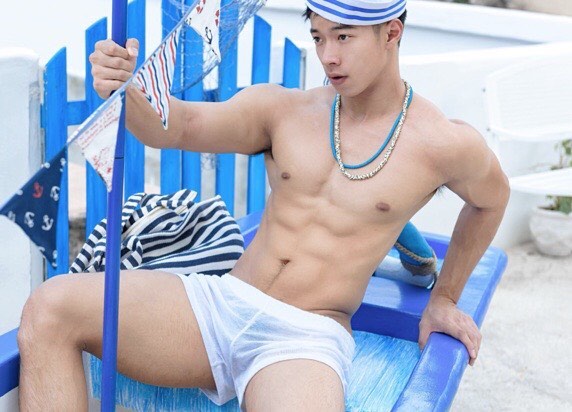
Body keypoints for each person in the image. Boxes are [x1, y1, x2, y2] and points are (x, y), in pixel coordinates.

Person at [17, 0, 510, 410]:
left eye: (343, 37)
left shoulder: (440, 142)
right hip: (223, 303)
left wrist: (445, 299)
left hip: (306, 335)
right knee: (50, 307)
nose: (328, 56)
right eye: (318, 38)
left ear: (391, 33)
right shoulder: (284, 110)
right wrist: (129, 89)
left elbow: (492, 200)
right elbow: (178, 126)